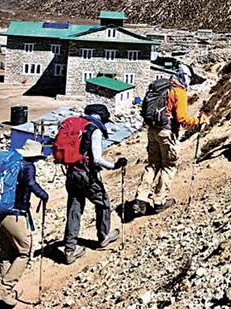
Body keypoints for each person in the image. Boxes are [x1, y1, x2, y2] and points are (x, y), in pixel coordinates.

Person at [133, 64, 206, 217]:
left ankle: (140, 199)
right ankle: (159, 201)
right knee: (168, 166)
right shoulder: (179, 92)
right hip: (166, 132)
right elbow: (182, 118)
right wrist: (198, 121)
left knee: (152, 164)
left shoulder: (162, 87)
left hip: (152, 130)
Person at [63, 104, 127, 265]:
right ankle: (103, 237)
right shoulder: (94, 130)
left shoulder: (75, 124)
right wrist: (114, 165)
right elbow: (97, 158)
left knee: (74, 208)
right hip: (86, 173)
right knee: (103, 202)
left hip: (71, 171)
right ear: (100, 117)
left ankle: (70, 249)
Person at [0, 140, 49, 305]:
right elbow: (31, 183)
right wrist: (43, 195)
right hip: (15, 215)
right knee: (24, 252)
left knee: (6, 252)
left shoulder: (10, 164)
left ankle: (4, 294)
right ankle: (3, 290)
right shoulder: (27, 166)